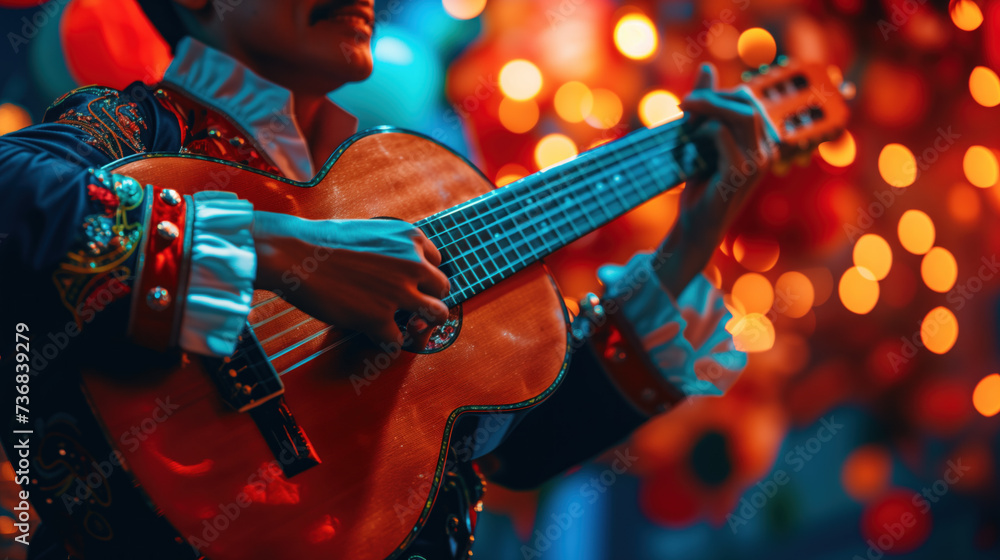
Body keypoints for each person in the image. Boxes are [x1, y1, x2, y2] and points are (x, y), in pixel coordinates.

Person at [0, 0, 774, 558]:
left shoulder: (396, 181)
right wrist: (279, 253)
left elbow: (515, 446)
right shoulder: (141, 129)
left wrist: (696, 233)